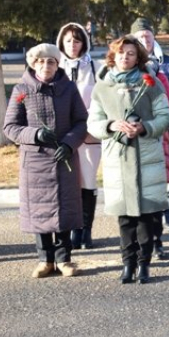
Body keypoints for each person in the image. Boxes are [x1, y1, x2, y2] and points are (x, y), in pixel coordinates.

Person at [87, 36, 169, 283]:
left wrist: (144, 127)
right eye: (121, 52)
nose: (126, 57)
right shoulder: (102, 86)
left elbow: (165, 116)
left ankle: (144, 263)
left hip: (146, 156)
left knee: (146, 216)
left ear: (139, 57)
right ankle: (128, 263)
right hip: (118, 157)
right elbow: (93, 122)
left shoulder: (151, 83)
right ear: (114, 55)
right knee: (124, 217)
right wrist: (112, 125)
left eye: (131, 53)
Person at [4, 44, 88, 277]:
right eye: (41, 61)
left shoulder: (69, 88)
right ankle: (45, 259)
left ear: (57, 64)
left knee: (64, 207)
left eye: (51, 61)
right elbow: (10, 127)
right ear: (33, 63)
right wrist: (35, 135)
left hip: (64, 157)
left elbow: (82, 121)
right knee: (39, 209)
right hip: (36, 161)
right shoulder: (22, 89)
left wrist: (70, 143)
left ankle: (64, 259)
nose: (46, 66)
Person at [131, 17, 169, 232]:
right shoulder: (129, 65)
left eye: (148, 36)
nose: (145, 40)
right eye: (140, 37)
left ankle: (167, 217)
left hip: (163, 126)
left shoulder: (168, 63)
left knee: (165, 172)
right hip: (138, 130)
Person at [56, 22, 101, 250]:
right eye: (68, 41)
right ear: (61, 43)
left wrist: (92, 121)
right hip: (64, 137)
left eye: (77, 40)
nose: (72, 45)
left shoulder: (94, 66)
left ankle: (86, 230)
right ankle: (72, 229)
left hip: (89, 135)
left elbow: (101, 97)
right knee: (68, 183)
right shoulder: (55, 67)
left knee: (88, 183)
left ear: (84, 42)